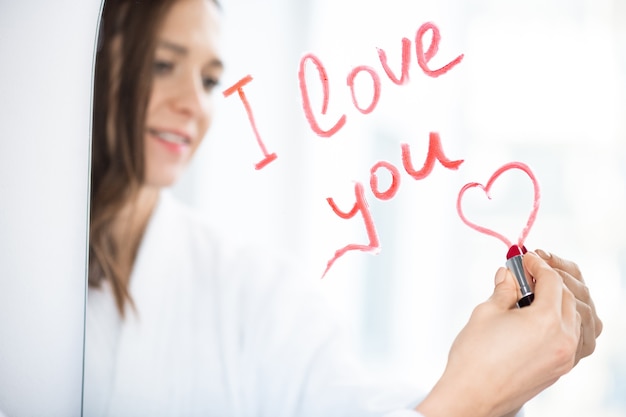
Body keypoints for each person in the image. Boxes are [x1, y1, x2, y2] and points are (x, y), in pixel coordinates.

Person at [84, 0, 603, 416]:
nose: (193, 104)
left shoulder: (254, 290)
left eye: (210, 80)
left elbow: (355, 402)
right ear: (90, 61)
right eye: (163, 64)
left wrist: (493, 390)